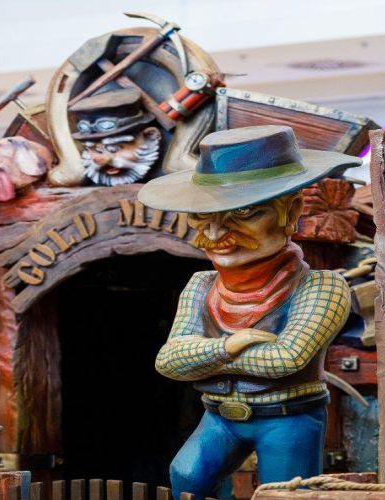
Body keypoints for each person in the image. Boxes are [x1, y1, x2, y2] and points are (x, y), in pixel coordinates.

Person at [137, 125, 359, 499]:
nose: (215, 233)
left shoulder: (322, 286)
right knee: (187, 474)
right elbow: (169, 361)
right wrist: (230, 346)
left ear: (290, 211)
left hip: (288, 417)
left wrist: (202, 357)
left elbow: (287, 359)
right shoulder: (202, 285)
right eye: (202, 215)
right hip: (219, 416)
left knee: (284, 493)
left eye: (242, 212)